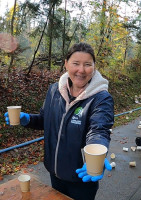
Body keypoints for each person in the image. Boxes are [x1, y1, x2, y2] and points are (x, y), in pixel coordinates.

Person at [4, 42, 114, 200]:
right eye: (76, 63)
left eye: (87, 64)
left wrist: (97, 155)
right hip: (54, 173)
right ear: (66, 64)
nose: (81, 70)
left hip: (82, 178)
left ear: (94, 67)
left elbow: (99, 130)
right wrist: (27, 119)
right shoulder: (54, 90)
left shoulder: (101, 98)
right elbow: (44, 120)